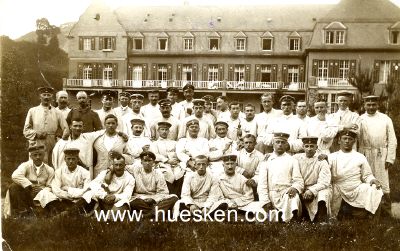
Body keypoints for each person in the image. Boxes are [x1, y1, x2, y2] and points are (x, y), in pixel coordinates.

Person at [329, 130, 383, 220]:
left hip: (356, 187)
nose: (347, 141)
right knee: (329, 193)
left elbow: (367, 175)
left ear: (354, 141)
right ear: (339, 141)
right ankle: (342, 213)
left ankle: (371, 217)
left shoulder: (359, 156)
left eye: (350, 139)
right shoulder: (332, 157)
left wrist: (372, 180)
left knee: (375, 189)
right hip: (338, 187)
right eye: (344, 138)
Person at [359, 95, 397, 217]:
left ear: (377, 105)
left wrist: (390, 158)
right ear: (364, 105)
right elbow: (355, 140)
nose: (371, 107)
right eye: (368, 105)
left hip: (381, 154)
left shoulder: (385, 119)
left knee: (382, 181)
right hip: (364, 153)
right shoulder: (360, 119)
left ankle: (386, 212)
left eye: (373, 104)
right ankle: (367, 211)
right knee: (366, 180)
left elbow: (392, 139)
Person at [258, 132, 304, 222]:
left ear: (286, 144)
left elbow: (298, 180)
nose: (280, 145)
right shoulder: (266, 160)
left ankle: (293, 221)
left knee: (293, 198)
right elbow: (262, 184)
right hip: (271, 194)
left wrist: (295, 188)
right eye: (277, 142)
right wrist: (265, 201)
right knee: (265, 219)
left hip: (286, 193)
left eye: (283, 142)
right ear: (273, 144)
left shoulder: (292, 160)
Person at [4, 145, 55, 218]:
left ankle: (40, 213)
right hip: (27, 193)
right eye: (35, 155)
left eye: (40, 155)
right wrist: (30, 185)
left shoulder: (50, 170)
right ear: (31, 156)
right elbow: (15, 175)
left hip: (41, 195)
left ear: (44, 155)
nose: (38, 157)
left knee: (44, 213)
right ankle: (22, 212)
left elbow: (50, 186)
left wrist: (42, 190)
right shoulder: (25, 165)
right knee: (14, 186)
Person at [23, 86, 69, 164]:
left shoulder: (57, 112)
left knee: (52, 166)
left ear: (52, 97)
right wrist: (36, 134)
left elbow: (66, 129)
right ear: (40, 97)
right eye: (44, 95)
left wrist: (60, 143)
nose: (46, 97)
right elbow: (26, 130)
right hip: (37, 142)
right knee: (36, 165)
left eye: (49, 95)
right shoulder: (33, 111)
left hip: (52, 143)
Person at [129, 151, 178, 218]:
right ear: (141, 162)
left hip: (154, 198)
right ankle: (157, 212)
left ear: (153, 162)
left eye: (150, 161)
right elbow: (123, 167)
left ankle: (148, 215)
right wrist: (111, 168)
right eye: (145, 160)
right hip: (140, 198)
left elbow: (163, 192)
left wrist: (154, 200)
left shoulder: (158, 174)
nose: (147, 163)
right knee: (133, 202)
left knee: (174, 198)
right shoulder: (136, 169)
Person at [293, 137, 331, 222]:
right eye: (307, 146)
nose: (309, 149)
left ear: (316, 147)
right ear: (303, 147)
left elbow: (325, 182)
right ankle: (298, 218)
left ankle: (322, 219)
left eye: (311, 146)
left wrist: (312, 190)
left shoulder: (321, 160)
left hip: (316, 188)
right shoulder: (296, 158)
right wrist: (269, 155)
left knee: (324, 193)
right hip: (302, 187)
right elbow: (284, 158)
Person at [50, 148, 93, 216]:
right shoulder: (59, 171)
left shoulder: (85, 172)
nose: (71, 161)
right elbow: (56, 189)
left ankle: (66, 213)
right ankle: (72, 212)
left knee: (89, 195)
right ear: (65, 159)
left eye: (73, 159)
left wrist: (68, 189)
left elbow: (87, 190)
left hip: (79, 200)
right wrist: (67, 195)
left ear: (78, 159)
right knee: (53, 197)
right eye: (68, 159)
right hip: (65, 198)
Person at [93, 114, 133, 178]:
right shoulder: (97, 139)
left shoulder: (122, 139)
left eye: (113, 123)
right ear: (104, 124)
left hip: (117, 173)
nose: (110, 125)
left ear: (117, 125)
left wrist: (120, 155)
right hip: (99, 172)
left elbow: (130, 159)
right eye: (108, 123)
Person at [149, 122, 184, 196]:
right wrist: (167, 160)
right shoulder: (155, 143)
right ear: (158, 131)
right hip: (163, 164)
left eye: (166, 130)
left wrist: (175, 159)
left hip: (175, 164)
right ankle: (169, 194)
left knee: (180, 173)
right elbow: (155, 155)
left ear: (169, 131)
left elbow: (178, 152)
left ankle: (177, 195)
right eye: (162, 129)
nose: (164, 131)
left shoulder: (174, 143)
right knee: (168, 174)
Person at [236, 134, 264, 199]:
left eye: (250, 142)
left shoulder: (260, 156)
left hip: (253, 182)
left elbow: (260, 172)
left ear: (255, 143)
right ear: (243, 143)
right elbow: (234, 166)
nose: (248, 145)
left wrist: (254, 180)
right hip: (240, 180)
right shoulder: (238, 154)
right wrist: (242, 171)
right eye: (246, 142)